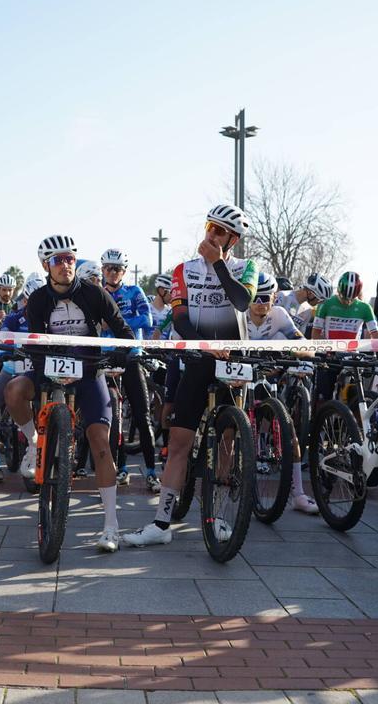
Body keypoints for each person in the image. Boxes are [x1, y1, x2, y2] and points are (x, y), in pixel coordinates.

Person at [124, 204, 256, 548]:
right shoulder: (184, 270)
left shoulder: (247, 268)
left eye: (220, 231)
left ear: (233, 239)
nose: (211, 234)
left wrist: (218, 264)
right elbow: (180, 319)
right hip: (198, 358)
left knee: (229, 440)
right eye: (209, 226)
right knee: (180, 442)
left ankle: (221, 517)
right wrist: (205, 345)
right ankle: (161, 522)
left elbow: (242, 302)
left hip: (233, 359)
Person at [4, 234, 135, 552]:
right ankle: (35, 445)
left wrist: (120, 353)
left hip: (89, 371)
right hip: (49, 368)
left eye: (70, 259)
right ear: (45, 265)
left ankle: (111, 527)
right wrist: (41, 368)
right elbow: (35, 343)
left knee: (101, 443)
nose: (65, 265)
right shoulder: (37, 300)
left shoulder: (94, 293)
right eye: (58, 260)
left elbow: (124, 331)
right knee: (14, 390)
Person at [246, 274, 318, 515]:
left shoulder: (279, 314)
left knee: (290, 436)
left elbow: (299, 340)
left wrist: (307, 357)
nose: (259, 302)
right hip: (239, 375)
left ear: (274, 298)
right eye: (254, 297)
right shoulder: (237, 315)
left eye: (265, 297)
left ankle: (298, 494)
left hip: (267, 376)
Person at [99, 247, 159, 490]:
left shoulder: (135, 292)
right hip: (106, 357)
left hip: (131, 356)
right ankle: (120, 468)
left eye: (118, 269)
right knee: (112, 419)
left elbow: (147, 320)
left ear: (124, 271)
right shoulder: (97, 293)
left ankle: (152, 472)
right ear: (103, 270)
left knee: (142, 416)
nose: (113, 273)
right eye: (109, 269)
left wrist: (114, 324)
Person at [0, 273, 45, 485]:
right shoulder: (14, 317)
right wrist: (4, 348)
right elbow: (3, 336)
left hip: (38, 373)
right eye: (29, 300)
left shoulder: (50, 316)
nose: (32, 305)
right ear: (24, 299)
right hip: (11, 370)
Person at [310, 272, 378, 341]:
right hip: (330, 351)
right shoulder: (325, 303)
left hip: (353, 353)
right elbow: (315, 334)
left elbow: (375, 334)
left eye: (351, 299)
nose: (347, 302)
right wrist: (330, 348)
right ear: (338, 290)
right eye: (344, 298)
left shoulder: (365, 308)